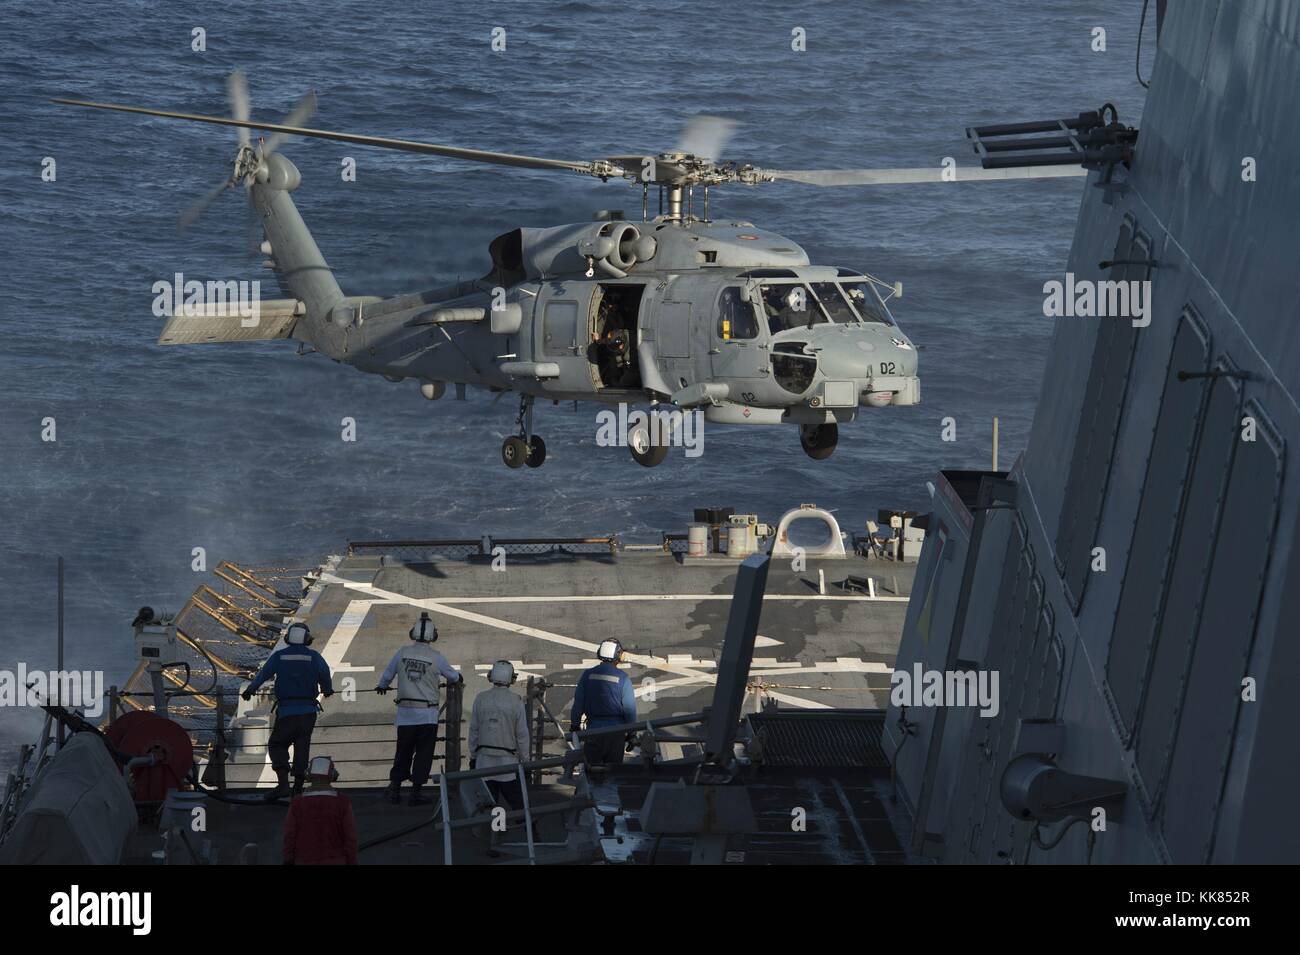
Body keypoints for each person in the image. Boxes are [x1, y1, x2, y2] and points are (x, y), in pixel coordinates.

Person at [375, 611, 462, 805]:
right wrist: (458, 679)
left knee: (402, 752)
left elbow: (388, 673)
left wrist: (382, 686)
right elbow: (454, 677)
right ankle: (415, 793)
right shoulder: (436, 657)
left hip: (405, 714)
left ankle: (395, 789)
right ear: (434, 636)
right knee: (423, 755)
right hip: (428, 716)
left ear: (413, 632)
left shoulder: (402, 652)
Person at [243, 621, 333, 798]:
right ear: (307, 639)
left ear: (287, 638)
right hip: (308, 713)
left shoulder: (279, 656)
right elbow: (325, 674)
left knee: (277, 744)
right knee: (302, 747)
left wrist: (250, 690)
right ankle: (298, 787)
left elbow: (263, 674)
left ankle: (283, 784)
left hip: (287, 713)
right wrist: (327, 689)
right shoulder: (314, 657)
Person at [469, 660, 532, 834]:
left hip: (484, 760)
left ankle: (495, 837)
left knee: (491, 803)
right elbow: (522, 735)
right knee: (517, 801)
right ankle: (531, 832)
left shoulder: (481, 699)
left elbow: (474, 729)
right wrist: (526, 761)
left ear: (491, 676)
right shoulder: (516, 701)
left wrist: (473, 756)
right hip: (507, 763)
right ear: (511, 679)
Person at [571, 639, 637, 766]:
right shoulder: (623, 679)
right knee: (613, 774)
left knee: (591, 773)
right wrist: (632, 734)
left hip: (593, 732)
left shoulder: (587, 675)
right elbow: (630, 711)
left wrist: (575, 726)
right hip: (616, 734)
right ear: (618, 656)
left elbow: (578, 704)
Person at [282, 755, 357, 866]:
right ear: (332, 776)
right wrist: (351, 861)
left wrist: (288, 859)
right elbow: (350, 837)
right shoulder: (342, 802)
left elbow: (289, 835)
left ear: (308, 775)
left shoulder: (298, 803)